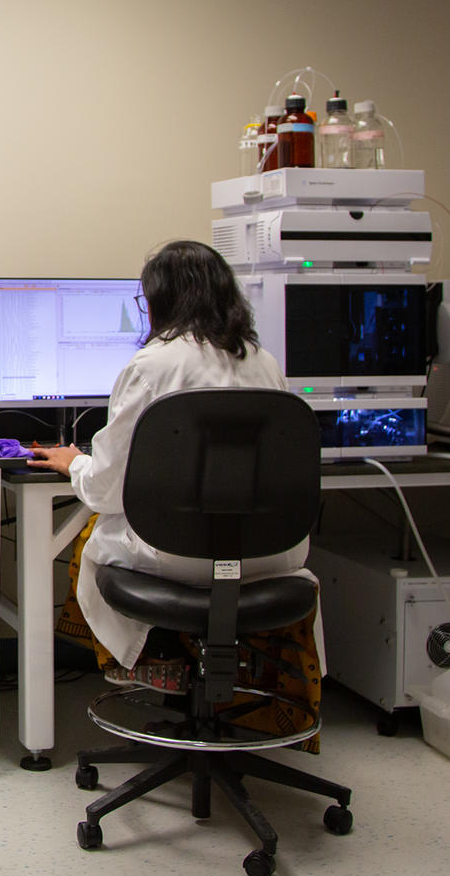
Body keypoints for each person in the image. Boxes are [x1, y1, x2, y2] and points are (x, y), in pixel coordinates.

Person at [28, 240, 318, 691]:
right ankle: (256, 690)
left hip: (180, 560)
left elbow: (107, 490)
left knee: (92, 536)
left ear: (159, 301)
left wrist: (75, 462)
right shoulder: (266, 363)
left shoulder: (152, 366)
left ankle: (146, 661)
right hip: (270, 557)